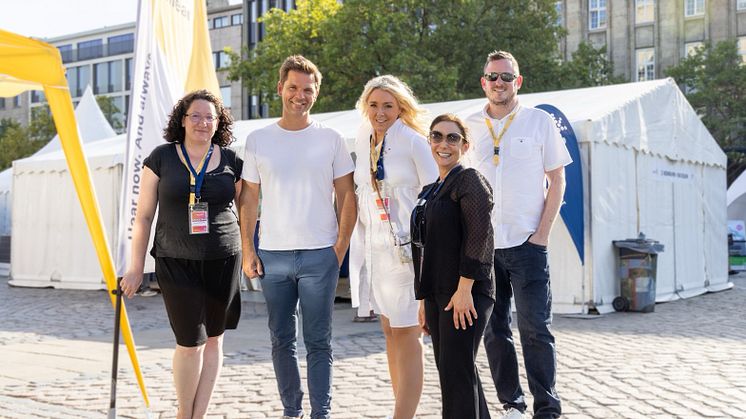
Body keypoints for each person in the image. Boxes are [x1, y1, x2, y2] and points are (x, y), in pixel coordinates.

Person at [239, 55, 356, 419]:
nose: (300, 95)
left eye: (307, 89)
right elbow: (249, 200)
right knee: (281, 340)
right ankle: (292, 411)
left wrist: (338, 250)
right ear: (280, 89)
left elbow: (348, 196)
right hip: (272, 256)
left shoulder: (331, 138)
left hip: (320, 254)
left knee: (319, 342)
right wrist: (248, 250)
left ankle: (322, 413)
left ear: (316, 92)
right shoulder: (258, 140)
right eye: (293, 88)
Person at [120, 89, 243, 419]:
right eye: (196, 116)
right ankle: (182, 412)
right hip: (175, 260)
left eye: (210, 117)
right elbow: (144, 216)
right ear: (183, 120)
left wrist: (254, 253)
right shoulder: (162, 157)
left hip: (224, 257)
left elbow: (247, 211)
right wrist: (135, 267)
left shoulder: (232, 160)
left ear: (219, 123)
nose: (203, 122)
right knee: (189, 342)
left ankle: (197, 415)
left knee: (214, 340)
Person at [465, 50, 572, 419]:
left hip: (528, 244)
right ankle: (512, 403)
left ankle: (547, 407)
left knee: (535, 329)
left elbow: (557, 179)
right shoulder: (468, 127)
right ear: (483, 82)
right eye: (493, 77)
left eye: (506, 77)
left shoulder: (539, 121)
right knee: (495, 332)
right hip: (484, 247)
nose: (499, 83)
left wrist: (542, 235)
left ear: (518, 81)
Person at [349, 75, 437, 419]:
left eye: (388, 105)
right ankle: (401, 408)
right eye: (373, 105)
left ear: (401, 107)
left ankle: (403, 415)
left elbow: (436, 197)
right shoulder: (363, 137)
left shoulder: (415, 141)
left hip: (408, 252)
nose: (380, 112)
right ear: (365, 107)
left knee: (407, 334)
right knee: (389, 332)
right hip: (376, 250)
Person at [412, 114, 495, 419]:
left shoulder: (469, 180)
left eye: (452, 137)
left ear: (465, 144)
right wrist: (425, 300)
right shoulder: (433, 189)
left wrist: (464, 290)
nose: (443, 143)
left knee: (455, 373)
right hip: (438, 294)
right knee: (455, 370)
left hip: (466, 292)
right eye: (436, 136)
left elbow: (479, 236)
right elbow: (427, 247)